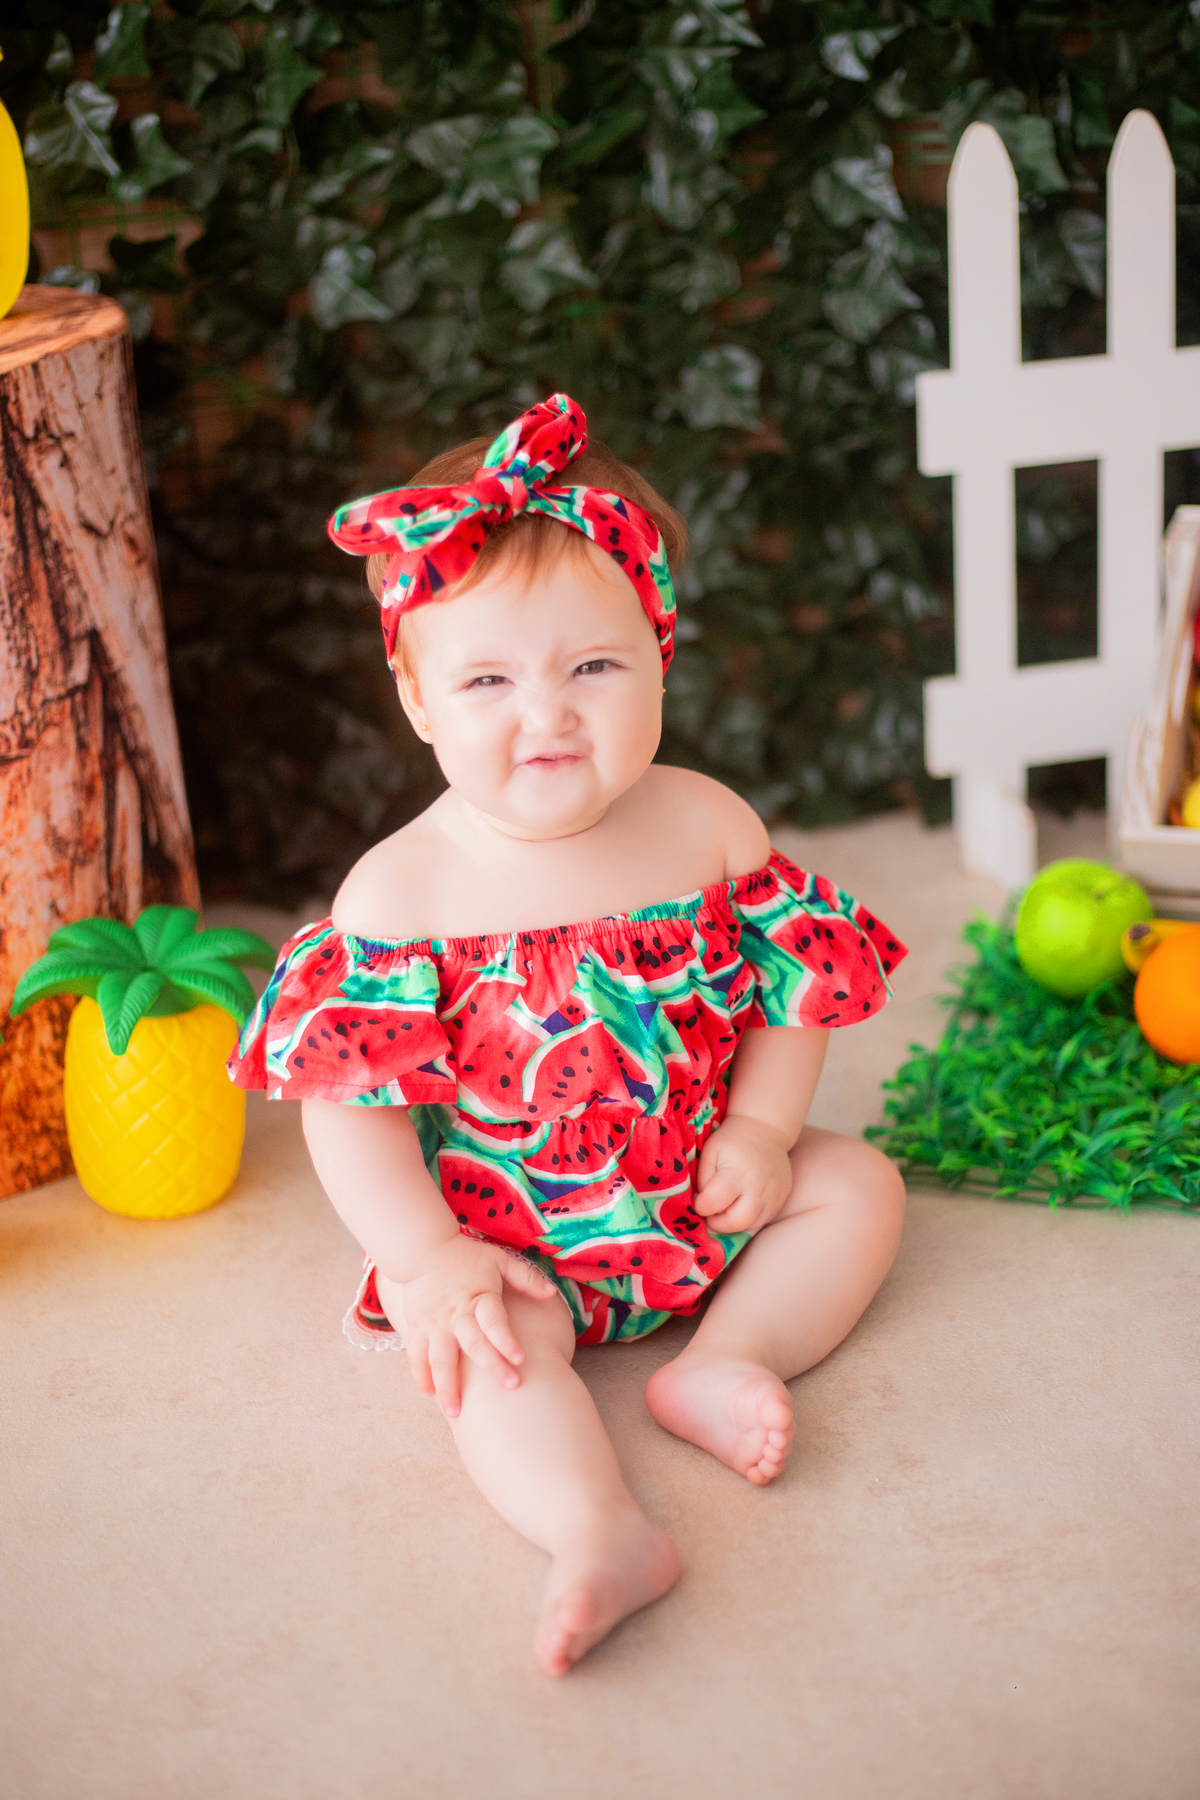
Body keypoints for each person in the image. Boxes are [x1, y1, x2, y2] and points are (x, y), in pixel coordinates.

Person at [229, 393, 908, 1677]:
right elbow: (350, 1108)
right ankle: (597, 1530)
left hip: (699, 1190)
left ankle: (727, 1359)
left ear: (660, 658)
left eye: (593, 667)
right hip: (511, 1238)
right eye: (488, 679)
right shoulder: (401, 895)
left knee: (858, 1186)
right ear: (418, 696)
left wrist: (763, 1133)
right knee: (486, 1356)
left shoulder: (710, 829)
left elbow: (790, 997)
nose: (547, 715)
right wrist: (425, 1255)